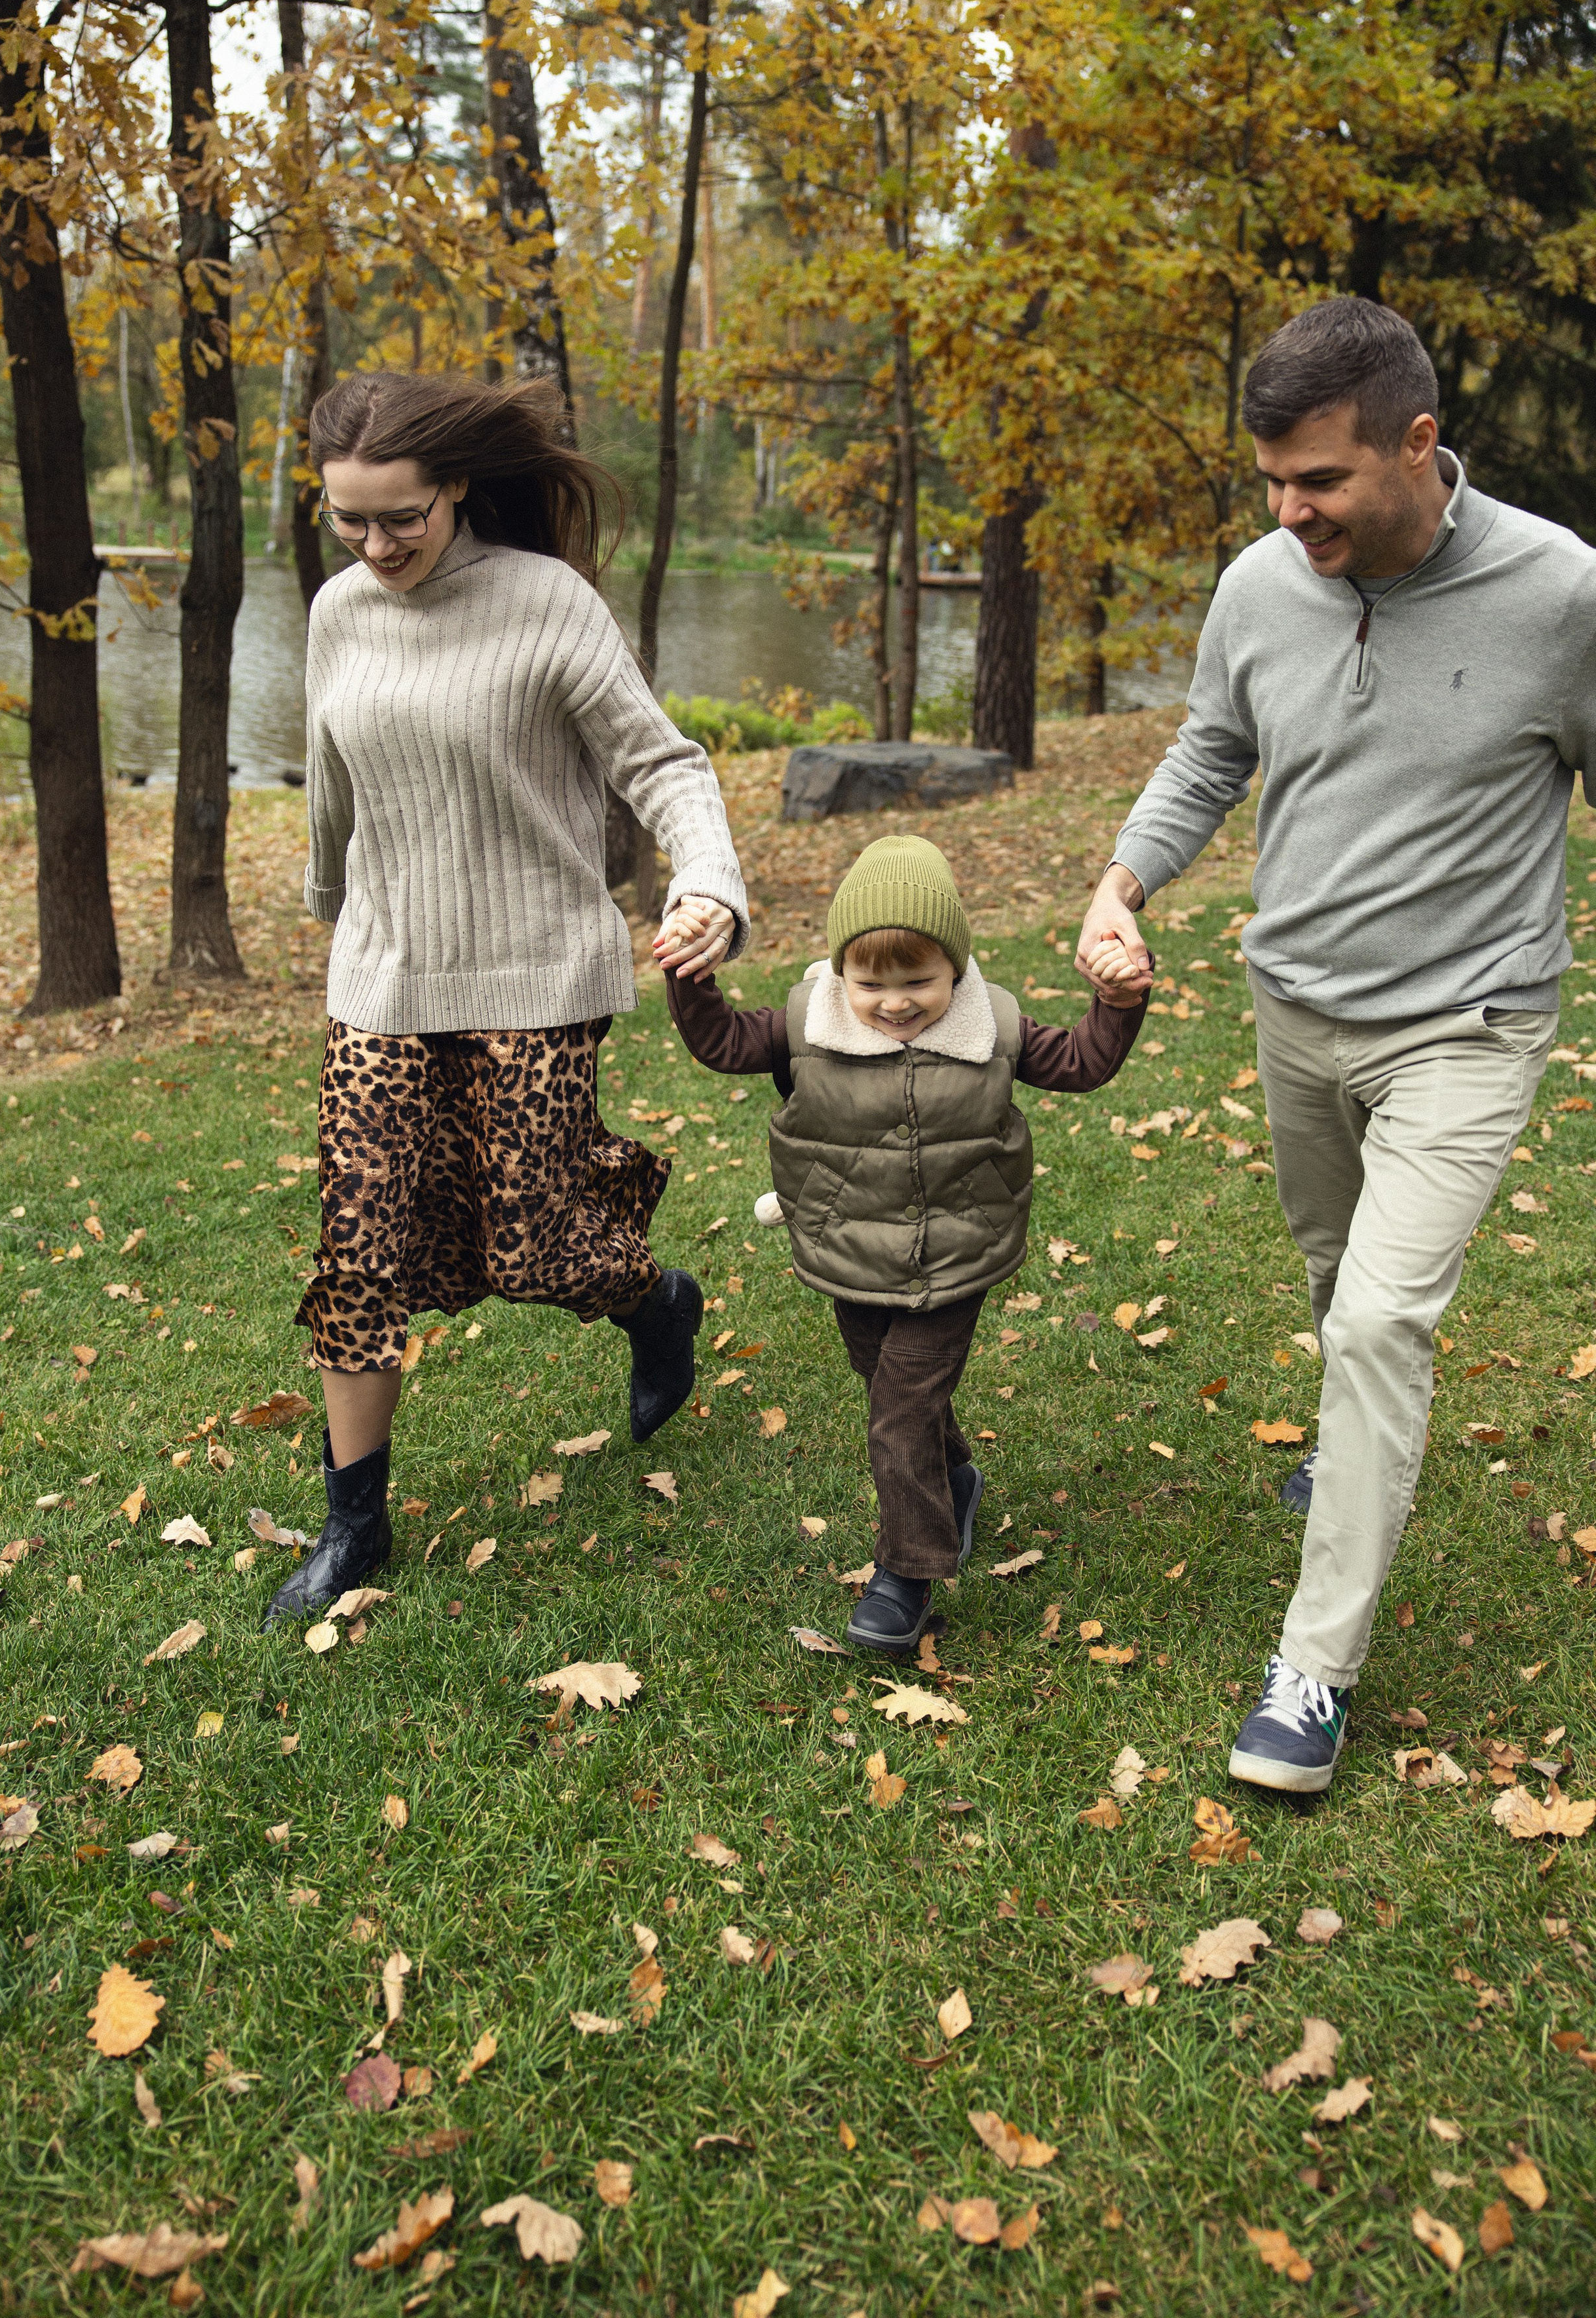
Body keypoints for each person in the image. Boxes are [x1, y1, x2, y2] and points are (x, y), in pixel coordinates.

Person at [1079, 296, 1596, 1792]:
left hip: (1465, 1020)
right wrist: (1120, 880)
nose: (1286, 511)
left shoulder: (1558, 595)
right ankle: (1347, 1440)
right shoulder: (1259, 581)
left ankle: (1309, 1674)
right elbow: (1208, 746)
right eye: (1269, 484)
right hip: (1293, 1004)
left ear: (1415, 444)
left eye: (1315, 480)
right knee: (1331, 1276)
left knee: (1376, 1320)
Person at [264, 370, 748, 1630]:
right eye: (350, 523)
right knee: (360, 1251)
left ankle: (657, 1301)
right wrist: (335, 906)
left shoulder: (548, 603)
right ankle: (353, 1524)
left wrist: (709, 886)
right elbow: (333, 776)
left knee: (544, 1244)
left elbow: (662, 762)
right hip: (384, 976)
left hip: (536, 971)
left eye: (400, 520)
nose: (376, 549)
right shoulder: (339, 613)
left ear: (457, 487)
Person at [664, 834, 1147, 1655]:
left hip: (956, 1257)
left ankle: (907, 1572)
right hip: (850, 1254)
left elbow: (1081, 1064)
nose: (894, 1002)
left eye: (918, 980)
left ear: (955, 968)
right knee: (891, 1387)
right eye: (870, 983)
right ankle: (954, 1479)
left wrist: (1118, 1002)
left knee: (897, 1410)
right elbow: (718, 1045)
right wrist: (691, 977)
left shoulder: (989, 1025)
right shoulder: (805, 1025)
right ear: (840, 973)